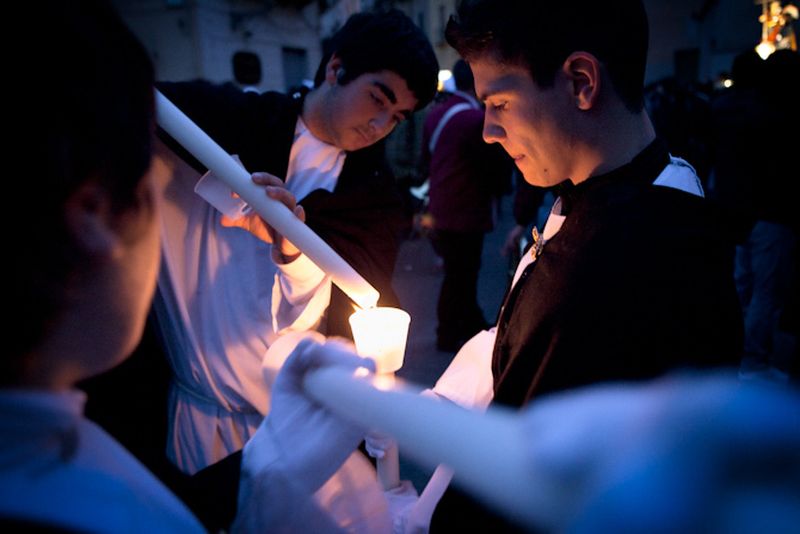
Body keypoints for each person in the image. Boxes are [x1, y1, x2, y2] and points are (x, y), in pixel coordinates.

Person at [1, 2, 380, 531]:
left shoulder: (51, 442)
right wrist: (260, 481)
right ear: (96, 216)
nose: (380, 126)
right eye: (151, 195)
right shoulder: (83, 506)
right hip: (204, 416)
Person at [398, 0, 744, 529]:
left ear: (582, 82)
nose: (488, 130)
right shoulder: (652, 185)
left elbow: (520, 485)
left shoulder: (606, 269)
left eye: (500, 102)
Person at [151, 10, 439, 473]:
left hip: (292, 427)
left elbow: (353, 310)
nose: (380, 124)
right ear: (335, 69)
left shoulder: (374, 199)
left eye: (398, 117)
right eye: (377, 98)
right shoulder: (238, 120)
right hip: (193, 410)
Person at [421, 59, 512, 351]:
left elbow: (425, 160)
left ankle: (471, 323)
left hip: (439, 206)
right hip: (466, 209)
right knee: (462, 273)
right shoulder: (474, 119)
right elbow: (490, 169)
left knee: (457, 271)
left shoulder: (436, 114)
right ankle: (448, 333)